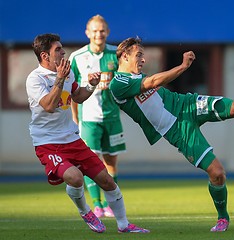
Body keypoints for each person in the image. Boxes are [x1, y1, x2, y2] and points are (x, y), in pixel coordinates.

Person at [109, 37, 234, 232]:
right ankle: (223, 217)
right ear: (125, 56)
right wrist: (182, 67)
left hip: (187, 104)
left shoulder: (136, 76)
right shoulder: (118, 84)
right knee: (217, 173)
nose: (143, 59)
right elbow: (153, 82)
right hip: (178, 130)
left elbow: (152, 84)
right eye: (139, 55)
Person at [26, 33, 149, 234]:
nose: (63, 52)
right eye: (57, 49)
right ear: (44, 56)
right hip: (47, 143)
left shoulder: (66, 73)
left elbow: (78, 96)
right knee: (75, 177)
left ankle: (124, 225)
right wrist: (59, 79)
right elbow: (48, 105)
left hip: (72, 139)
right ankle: (86, 212)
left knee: (107, 180)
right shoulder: (35, 79)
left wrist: (91, 85)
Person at [69, 14, 126, 218]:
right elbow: (73, 91)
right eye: (94, 30)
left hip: (112, 118)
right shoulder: (77, 57)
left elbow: (125, 83)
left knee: (111, 162)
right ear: (87, 33)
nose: (98, 34)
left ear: (107, 32)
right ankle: (98, 204)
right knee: (90, 161)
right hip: (89, 119)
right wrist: (75, 118)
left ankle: (112, 204)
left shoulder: (117, 54)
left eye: (102, 30)